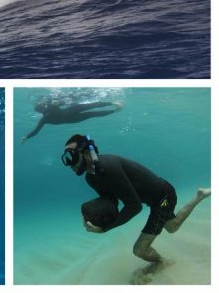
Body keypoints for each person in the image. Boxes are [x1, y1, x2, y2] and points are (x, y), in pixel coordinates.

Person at [62, 134, 211, 264]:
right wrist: (92, 216)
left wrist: (105, 229)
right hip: (153, 198)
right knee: (172, 226)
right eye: (66, 158)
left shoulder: (108, 166)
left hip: (164, 197)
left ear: (87, 152)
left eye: (72, 155)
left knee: (140, 249)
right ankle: (201, 195)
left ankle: (163, 264)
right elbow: (111, 201)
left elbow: (134, 206)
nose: (69, 163)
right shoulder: (91, 178)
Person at [21, 101, 122, 144]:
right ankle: (113, 105)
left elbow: (36, 131)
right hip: (72, 112)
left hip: (73, 119)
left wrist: (26, 137)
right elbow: (61, 102)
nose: (44, 110)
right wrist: (26, 137)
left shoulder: (44, 119)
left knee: (91, 113)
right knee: (91, 108)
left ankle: (114, 109)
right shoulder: (49, 108)